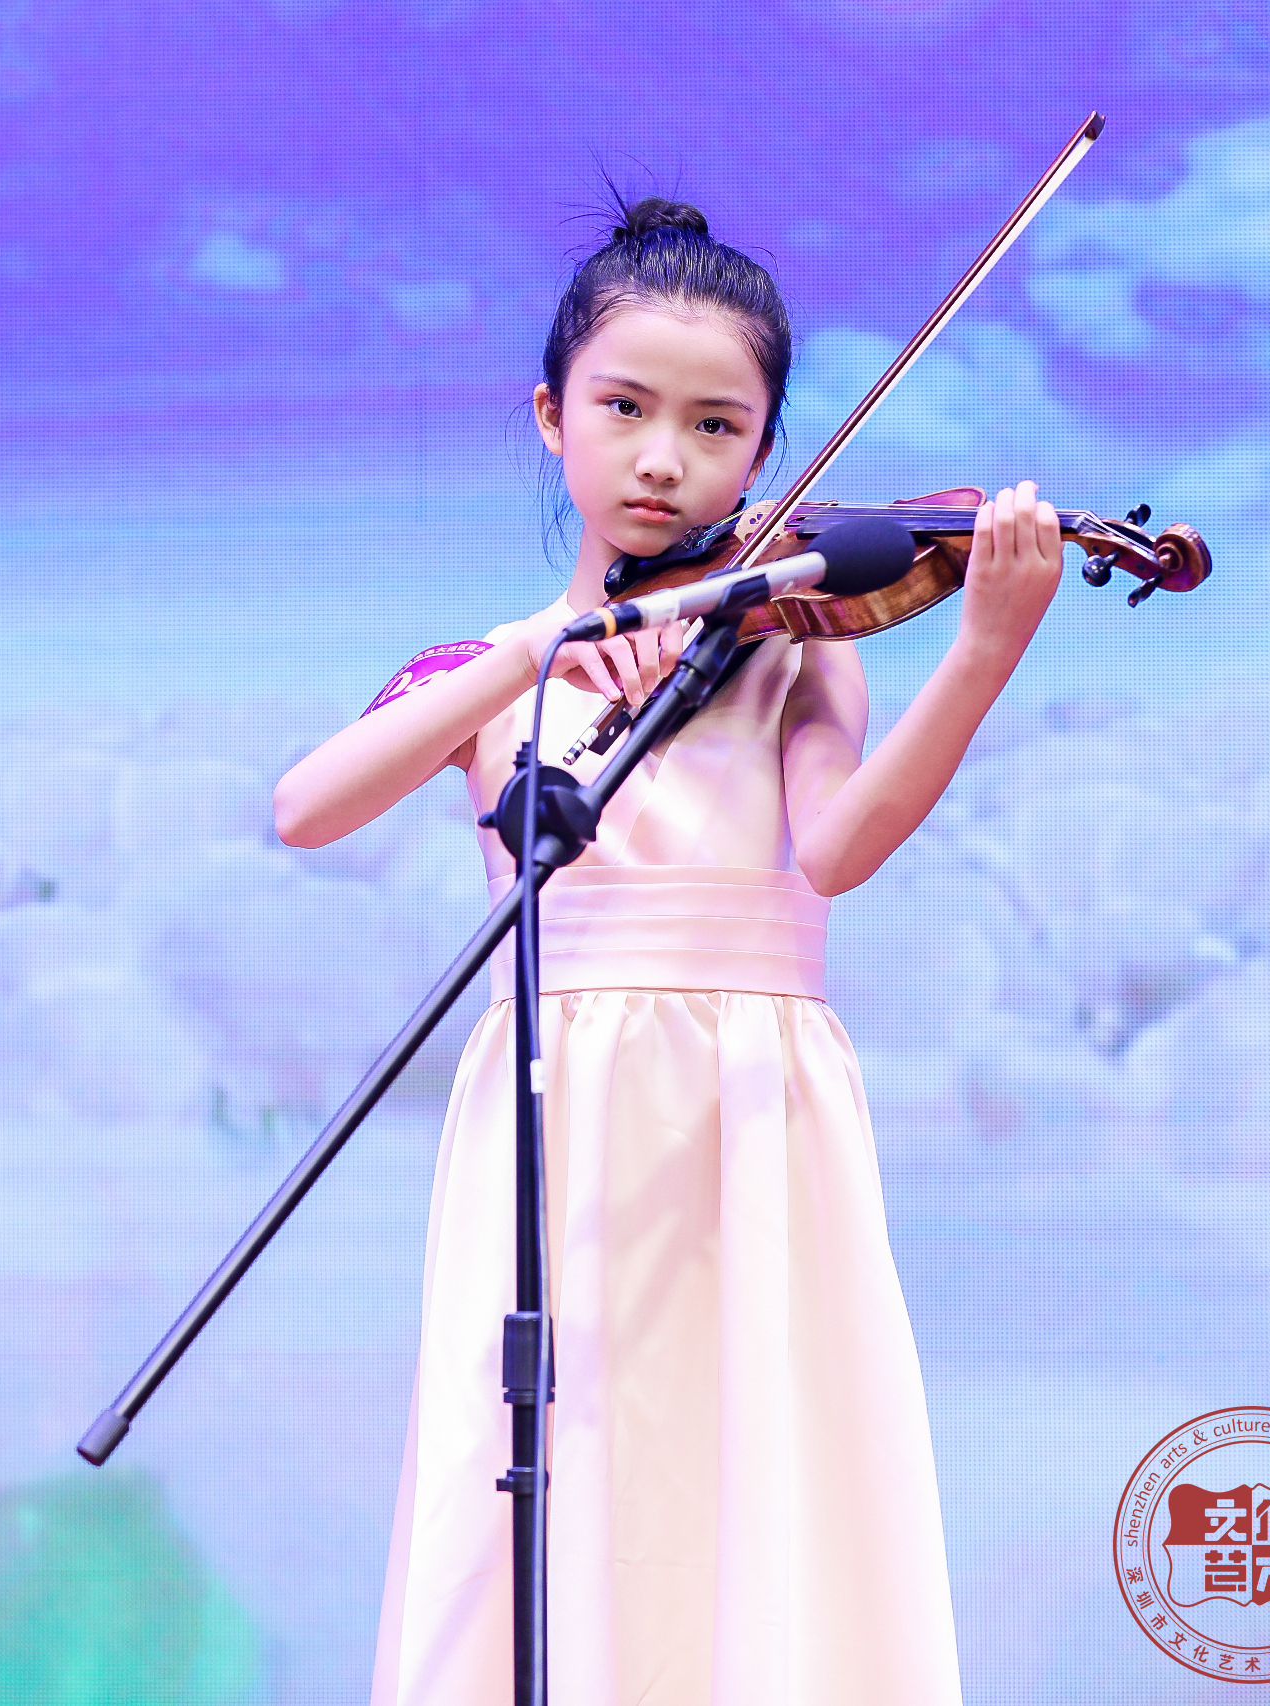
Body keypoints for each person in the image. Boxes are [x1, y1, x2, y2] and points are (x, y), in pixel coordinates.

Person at [273, 195, 1063, 1706]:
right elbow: (308, 808)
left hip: (753, 1097)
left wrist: (982, 649)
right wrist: (544, 648)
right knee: (546, 1454)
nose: (661, 458)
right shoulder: (487, 671)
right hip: (553, 1098)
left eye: (715, 427)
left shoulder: (793, 653)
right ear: (550, 417)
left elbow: (838, 850)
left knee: (765, 1453)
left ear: (763, 460)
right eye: (624, 408)